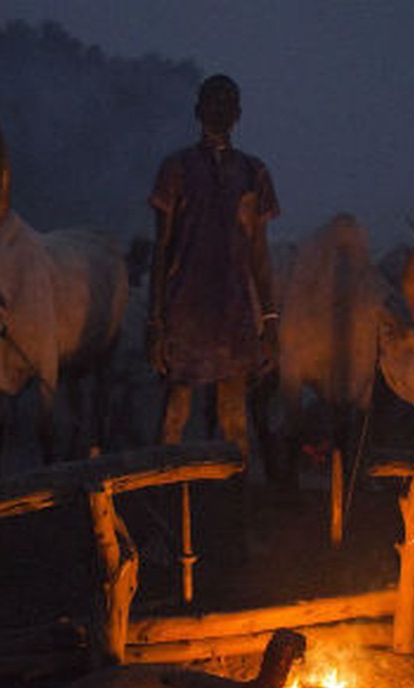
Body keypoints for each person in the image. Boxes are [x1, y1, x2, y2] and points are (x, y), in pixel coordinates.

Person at [145, 74, 280, 461]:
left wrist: (270, 322)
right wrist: (155, 323)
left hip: (233, 311)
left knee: (235, 421)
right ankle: (162, 497)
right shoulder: (176, 169)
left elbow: (259, 255)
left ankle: (235, 507)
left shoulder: (255, 173)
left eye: (228, 104)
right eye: (212, 102)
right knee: (173, 416)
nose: (219, 111)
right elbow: (161, 248)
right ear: (198, 111)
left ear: (238, 114)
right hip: (184, 309)